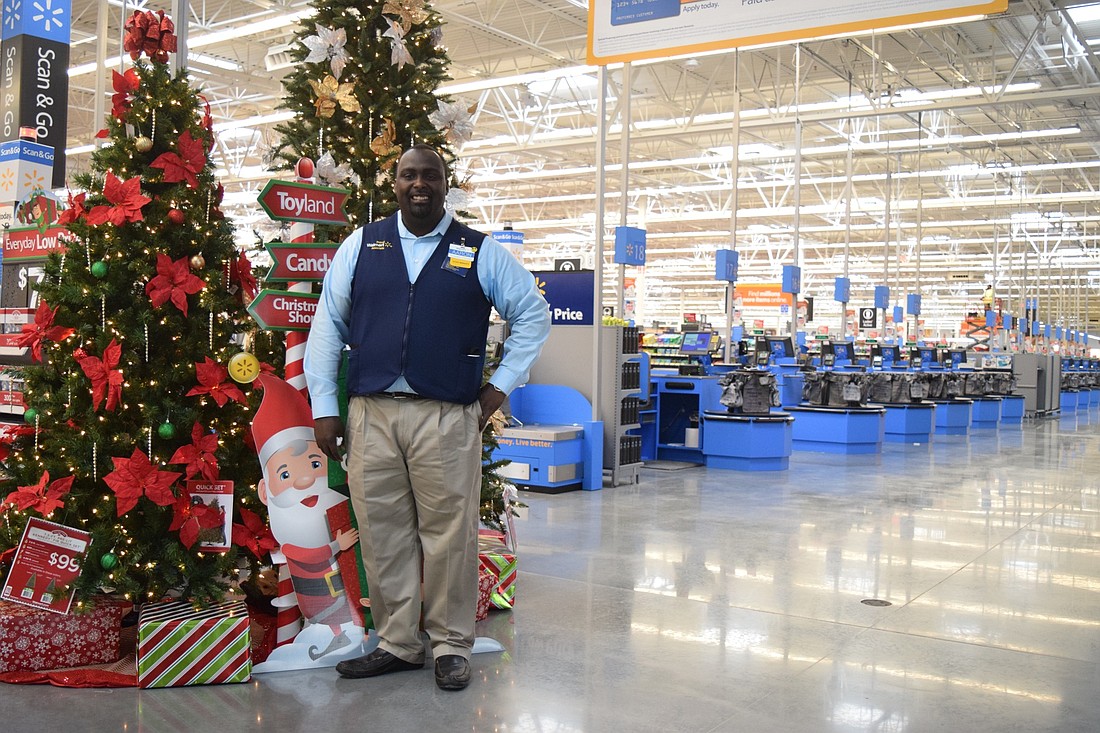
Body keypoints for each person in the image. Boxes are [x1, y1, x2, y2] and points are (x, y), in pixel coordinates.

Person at [304, 144, 550, 691]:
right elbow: (327, 327)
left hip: (446, 414)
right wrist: (325, 407)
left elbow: (533, 314)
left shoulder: (479, 251)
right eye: (409, 175)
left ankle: (449, 643)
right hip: (371, 414)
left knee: (448, 534)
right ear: (395, 183)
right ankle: (397, 642)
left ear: (445, 184)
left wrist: (498, 389)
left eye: (430, 176)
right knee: (382, 532)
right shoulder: (362, 245)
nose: (420, 184)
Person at [252, 373, 363, 661]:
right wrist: (336, 545)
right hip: (316, 593)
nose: (304, 481)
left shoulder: (342, 505)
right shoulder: (290, 541)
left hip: (347, 583)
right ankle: (335, 638)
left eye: (315, 463)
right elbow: (307, 555)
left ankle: (358, 634)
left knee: (351, 607)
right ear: (265, 491)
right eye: (286, 474)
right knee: (331, 614)